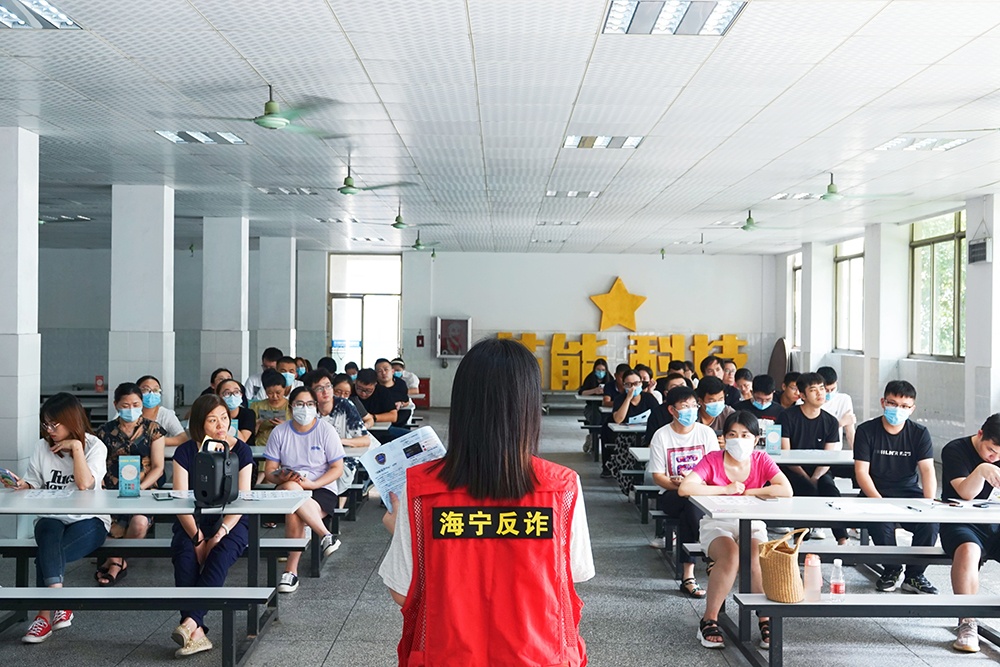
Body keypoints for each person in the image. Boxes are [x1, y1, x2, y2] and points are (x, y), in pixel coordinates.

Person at [379, 337, 595, 666]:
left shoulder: (421, 490)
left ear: (462, 405)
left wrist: (404, 530)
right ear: (529, 407)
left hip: (448, 657)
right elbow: (573, 575)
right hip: (539, 657)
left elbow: (403, 592)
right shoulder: (562, 487)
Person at [679, 411, 793, 650]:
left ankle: (765, 619)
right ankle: (709, 619)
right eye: (732, 434)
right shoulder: (712, 459)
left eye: (745, 435)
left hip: (752, 523)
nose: (738, 440)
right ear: (724, 437)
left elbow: (785, 489)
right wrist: (725, 489)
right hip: (717, 522)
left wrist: (749, 492)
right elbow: (686, 488)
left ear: (756, 439)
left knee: (755, 556)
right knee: (730, 556)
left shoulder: (761, 459)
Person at [12, 393, 109, 644]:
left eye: (55, 424)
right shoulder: (42, 446)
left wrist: (76, 448)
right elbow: (34, 481)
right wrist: (23, 485)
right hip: (52, 517)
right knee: (47, 529)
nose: (49, 430)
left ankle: (44, 617)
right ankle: (58, 603)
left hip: (90, 519)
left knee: (46, 555)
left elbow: (85, 484)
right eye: (46, 424)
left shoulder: (95, 446)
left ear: (72, 420)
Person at [169, 394, 254, 658]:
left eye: (224, 418)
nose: (221, 425)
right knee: (184, 554)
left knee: (220, 553)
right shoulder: (185, 451)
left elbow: (242, 501)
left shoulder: (241, 450)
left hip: (231, 522)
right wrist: (197, 537)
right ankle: (197, 632)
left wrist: (219, 534)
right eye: (212, 420)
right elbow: (181, 501)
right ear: (199, 423)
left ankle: (189, 623)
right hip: (192, 521)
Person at [854, 380, 939, 594]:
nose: (898, 409)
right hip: (875, 493)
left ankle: (914, 575)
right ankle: (891, 570)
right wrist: (879, 502)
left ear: (912, 409)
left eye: (904, 406)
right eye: (892, 404)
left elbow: (927, 470)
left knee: (930, 524)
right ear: (883, 402)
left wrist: (929, 503)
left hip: (908, 493)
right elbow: (862, 472)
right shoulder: (866, 430)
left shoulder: (919, 433)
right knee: (881, 521)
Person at [263, 387, 346, 593]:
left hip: (321, 487)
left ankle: (291, 572)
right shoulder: (279, 432)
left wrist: (314, 484)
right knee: (292, 488)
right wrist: (281, 476)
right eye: (300, 404)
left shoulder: (326, 430)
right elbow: (269, 472)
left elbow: (337, 468)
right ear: (291, 407)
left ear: (316, 407)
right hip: (288, 485)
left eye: (309, 404)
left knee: (295, 511)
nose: (305, 408)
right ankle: (325, 535)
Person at [648, 386, 719, 597]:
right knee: (688, 503)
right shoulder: (661, 436)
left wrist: (696, 486)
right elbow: (658, 477)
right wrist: (682, 486)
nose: (691, 410)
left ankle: (688, 576)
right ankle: (710, 553)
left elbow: (715, 470)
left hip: (702, 493)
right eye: (685, 406)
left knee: (689, 512)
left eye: (694, 405)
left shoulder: (706, 433)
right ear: (672, 410)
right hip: (671, 494)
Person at [93, 382, 166, 584]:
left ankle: (115, 560)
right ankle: (118, 563)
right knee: (101, 525)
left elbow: (158, 467)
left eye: (135, 404)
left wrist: (139, 488)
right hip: (111, 492)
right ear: (116, 405)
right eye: (125, 405)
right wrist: (102, 488)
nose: (131, 409)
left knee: (139, 523)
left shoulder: (154, 430)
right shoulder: (104, 432)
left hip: (144, 491)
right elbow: (98, 464)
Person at [940, 414, 1000, 653]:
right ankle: (967, 621)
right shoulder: (955, 449)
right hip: (960, 523)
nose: (995, 457)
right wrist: (982, 470)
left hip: (995, 522)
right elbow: (965, 493)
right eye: (991, 450)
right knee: (969, 550)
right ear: (980, 434)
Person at [776, 372, 846, 544]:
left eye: (822, 388)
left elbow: (828, 457)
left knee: (831, 492)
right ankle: (800, 541)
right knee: (805, 489)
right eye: (813, 390)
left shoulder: (831, 421)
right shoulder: (787, 416)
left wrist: (815, 477)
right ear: (802, 395)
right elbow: (786, 453)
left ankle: (842, 540)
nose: (820, 393)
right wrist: (808, 479)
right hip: (793, 470)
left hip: (820, 470)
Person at [305, 369, 373, 503]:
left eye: (328, 386)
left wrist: (338, 441)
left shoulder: (345, 406)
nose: (325, 392)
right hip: (312, 461)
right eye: (319, 388)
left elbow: (365, 440)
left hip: (343, 461)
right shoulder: (307, 409)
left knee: (328, 480)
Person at [137, 375, 188, 447]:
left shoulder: (166, 415)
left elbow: (182, 438)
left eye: (155, 390)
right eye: (146, 390)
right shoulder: (130, 413)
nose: (151, 394)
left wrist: (157, 441)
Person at [643, 373, 691, 447]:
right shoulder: (657, 413)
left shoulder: (693, 410)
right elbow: (651, 442)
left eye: (682, 386)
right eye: (674, 387)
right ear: (666, 393)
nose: (680, 390)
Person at [817, 366, 857, 449]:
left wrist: (857, 453)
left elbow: (850, 432)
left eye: (833, 389)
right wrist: (840, 423)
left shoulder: (844, 399)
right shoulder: (808, 401)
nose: (829, 393)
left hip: (836, 451)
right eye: (826, 390)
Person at [249, 369, 289, 447]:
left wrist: (285, 426)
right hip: (261, 446)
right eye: (270, 393)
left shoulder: (291, 406)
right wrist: (257, 424)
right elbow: (249, 434)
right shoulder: (257, 406)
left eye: (278, 393)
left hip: (285, 445)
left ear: (285, 389)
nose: (275, 396)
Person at [215, 378, 256, 445]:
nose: (232, 396)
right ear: (219, 396)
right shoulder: (214, 414)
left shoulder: (248, 414)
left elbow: (242, 440)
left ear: (241, 395)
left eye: (236, 392)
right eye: (227, 393)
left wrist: (226, 418)